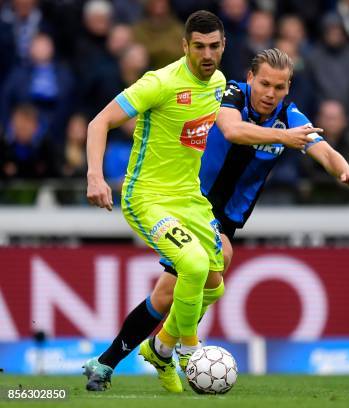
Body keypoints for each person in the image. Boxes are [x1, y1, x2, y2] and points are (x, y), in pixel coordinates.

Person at [83, 47, 349, 392]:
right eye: (264, 84)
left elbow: (322, 149)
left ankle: (135, 355)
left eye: (278, 87)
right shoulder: (229, 94)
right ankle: (180, 348)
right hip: (190, 202)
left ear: (287, 88)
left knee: (170, 292)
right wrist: (282, 137)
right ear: (250, 79)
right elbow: (232, 131)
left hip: (225, 215)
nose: (269, 93)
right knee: (214, 263)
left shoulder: (289, 116)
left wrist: (345, 170)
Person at [84, 10, 229, 394]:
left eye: (214, 46)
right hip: (147, 197)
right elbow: (98, 123)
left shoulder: (218, 84)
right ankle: (188, 352)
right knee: (194, 265)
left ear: (223, 46)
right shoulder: (160, 83)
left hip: (189, 199)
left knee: (214, 286)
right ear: (185, 46)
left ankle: (157, 350)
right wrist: (95, 177)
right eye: (198, 46)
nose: (207, 54)